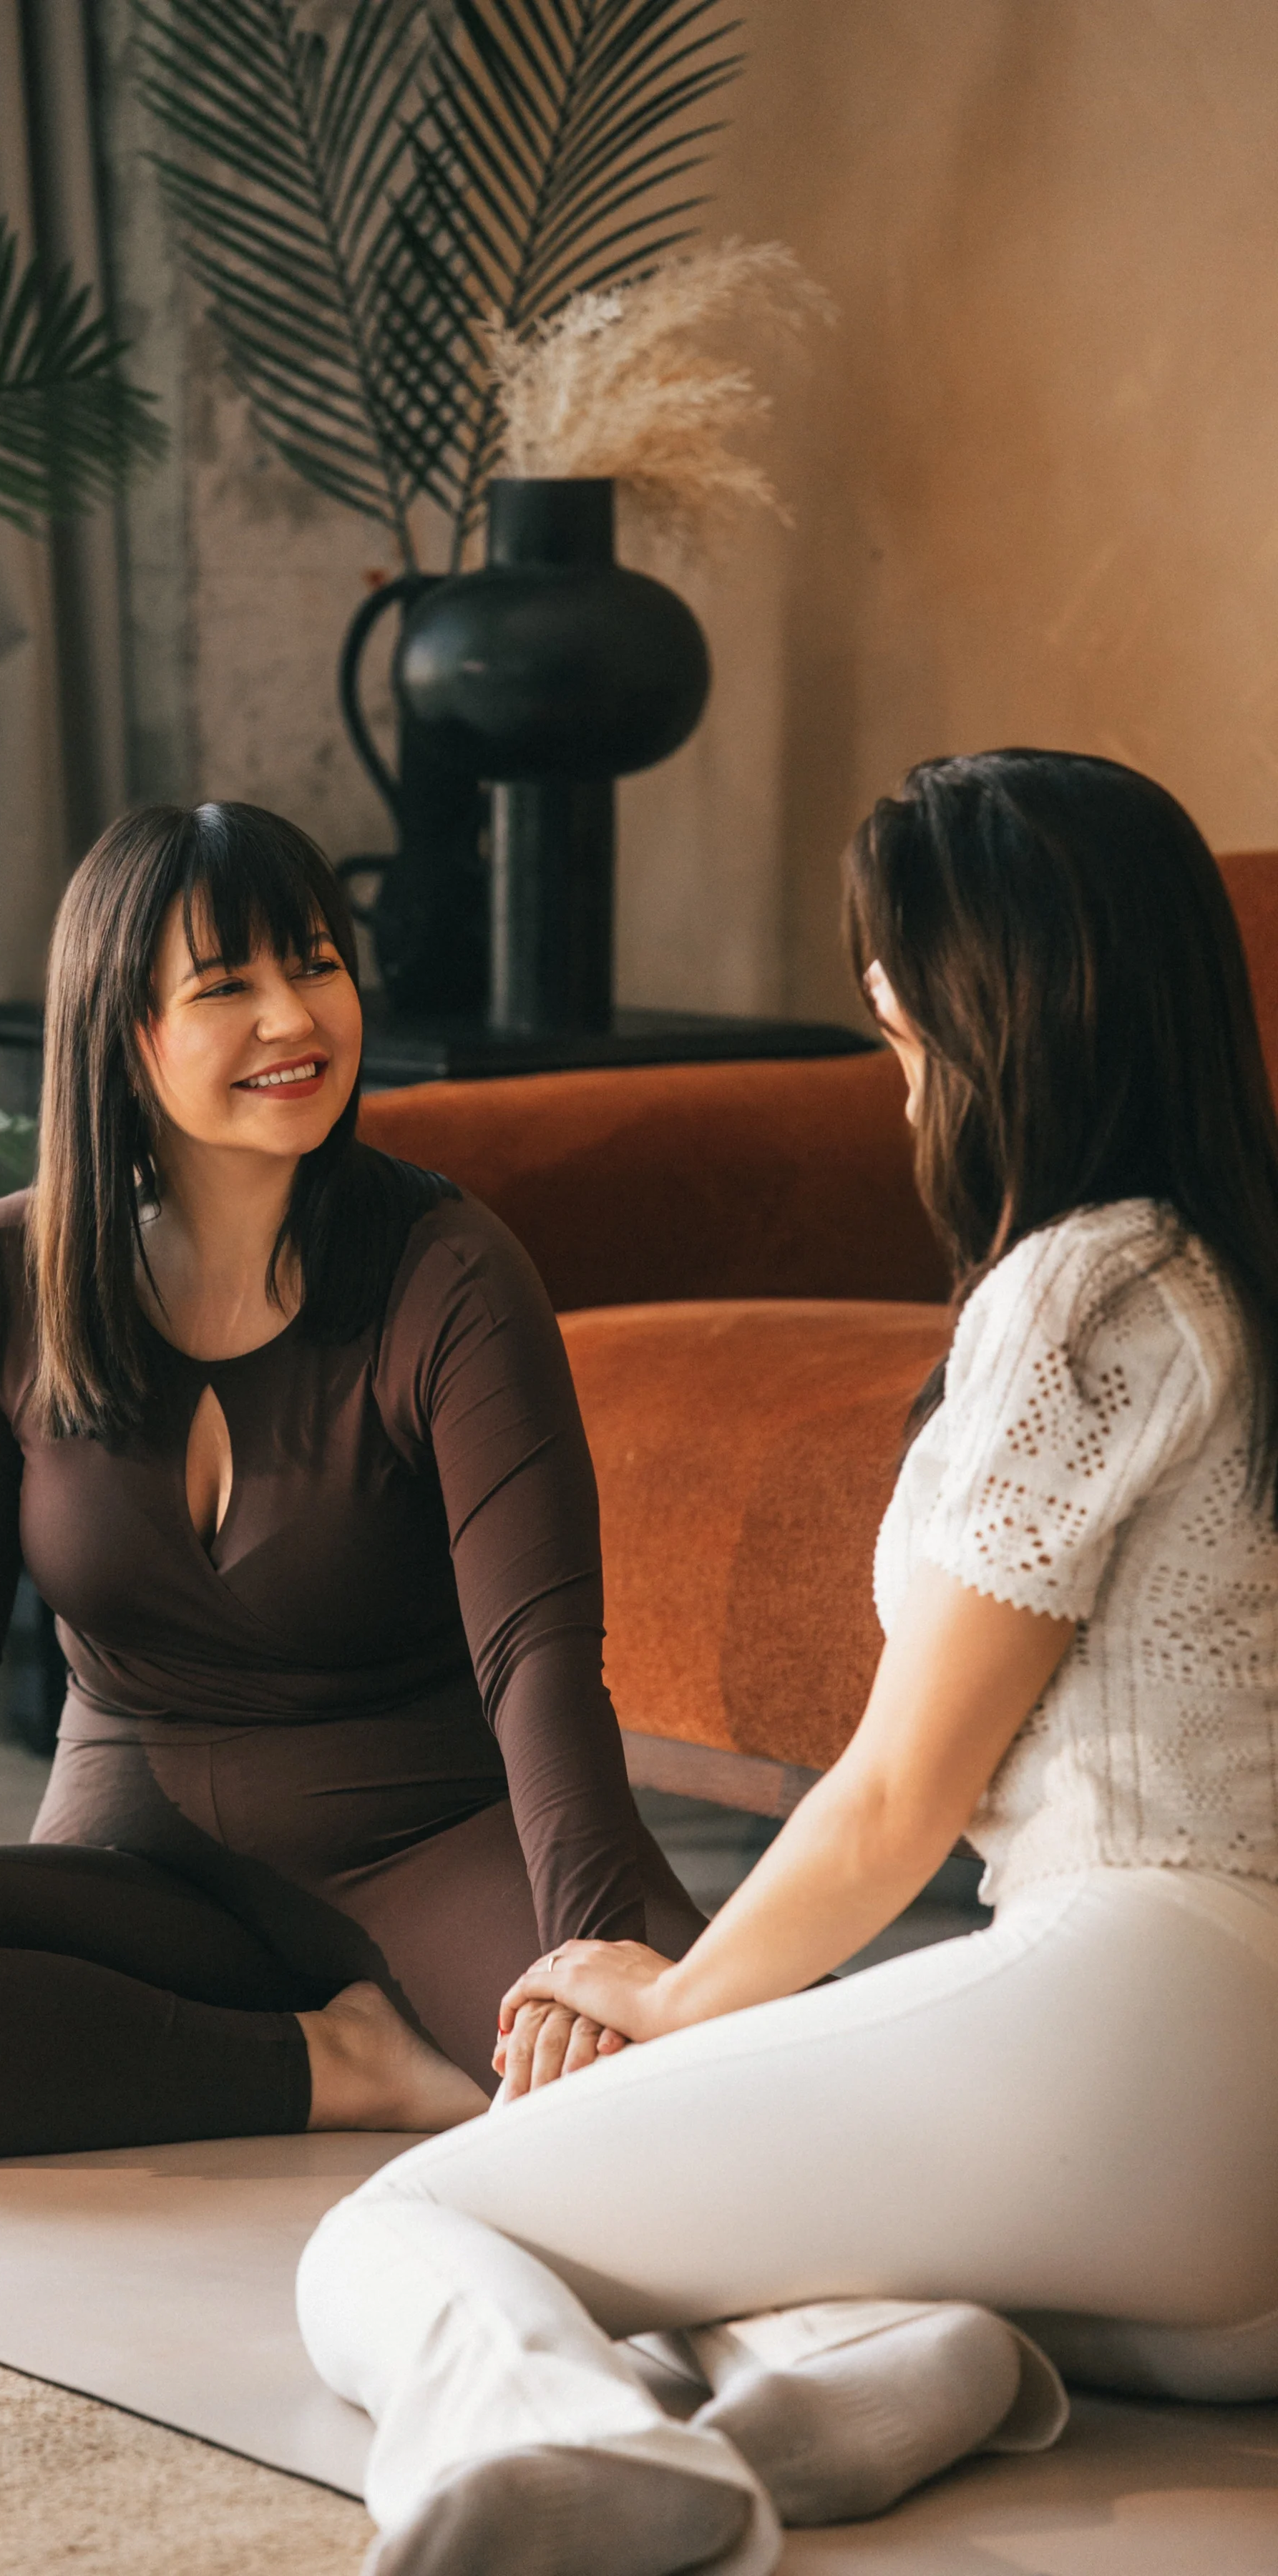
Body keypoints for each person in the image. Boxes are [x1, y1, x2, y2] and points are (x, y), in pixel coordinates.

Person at [296, 749, 1278, 2576]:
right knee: (774, 2237)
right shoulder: (1238, 1280)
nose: (885, 1039)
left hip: (1137, 2035)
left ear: (1005, 1009)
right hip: (1227, 2211)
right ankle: (887, 2386)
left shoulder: (1086, 1287)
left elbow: (902, 1791)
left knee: (400, 2226)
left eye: (898, 1004)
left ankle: (569, 2448)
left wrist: (677, 2000)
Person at [0, 801, 701, 2157]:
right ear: (125, 1037)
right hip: (144, 1876)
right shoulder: (2, 1279)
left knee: (701, 2093)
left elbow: (539, 1648)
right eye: (229, 986)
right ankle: (336, 2070)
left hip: (437, 1845)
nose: (295, 1019)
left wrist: (591, 1941)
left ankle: (375, 2043)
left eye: (316, 965)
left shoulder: (447, 1270)